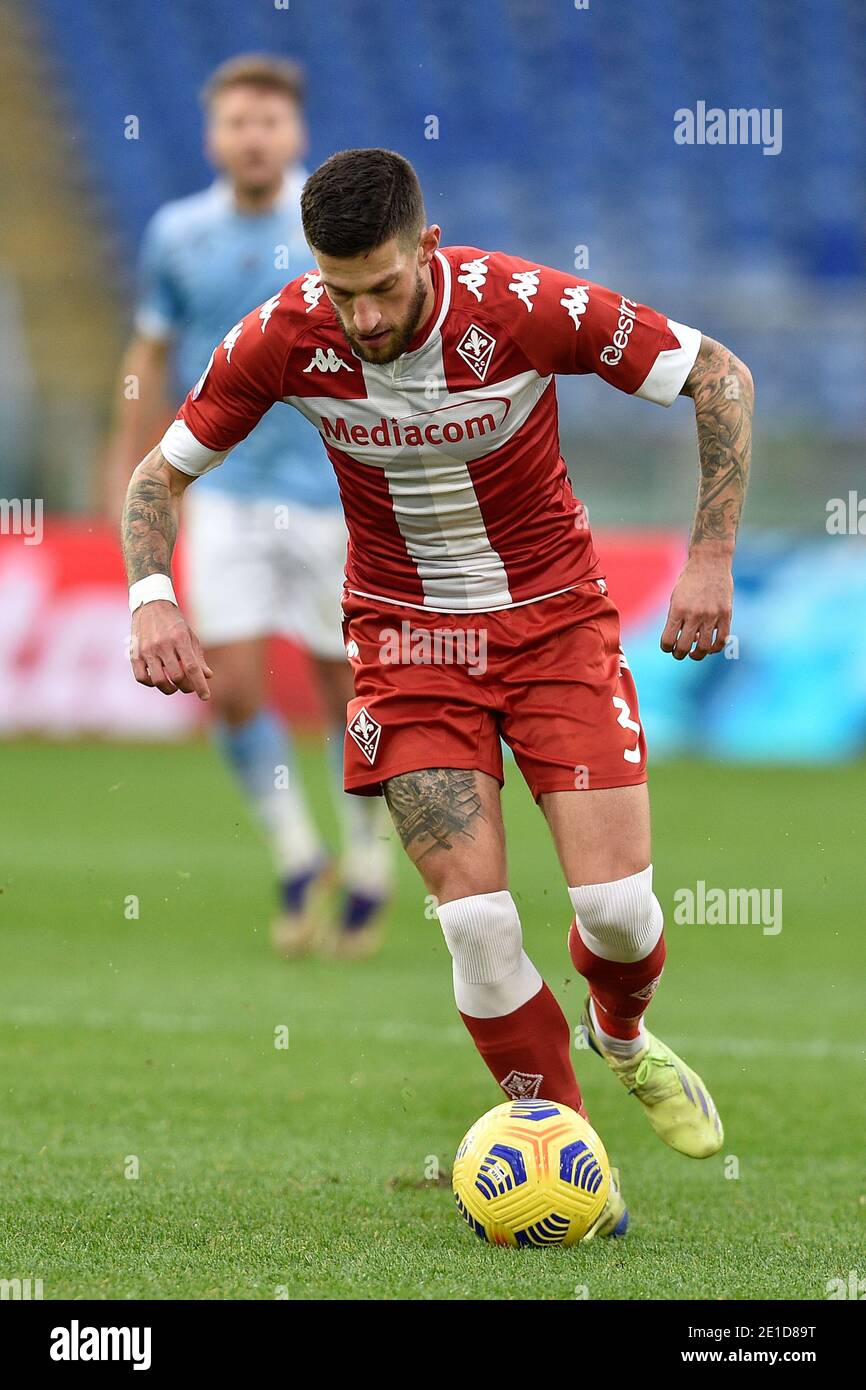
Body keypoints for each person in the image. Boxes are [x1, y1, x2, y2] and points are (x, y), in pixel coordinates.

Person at [120, 148, 753, 1236]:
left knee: (611, 909)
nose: (361, 315)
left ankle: (619, 1031)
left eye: (382, 285)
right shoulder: (283, 334)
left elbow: (718, 374)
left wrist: (707, 559)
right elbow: (158, 474)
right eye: (339, 288)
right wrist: (149, 595)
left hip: (554, 622)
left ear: (427, 242)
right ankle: (568, 1157)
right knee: (476, 926)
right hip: (407, 647)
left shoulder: (521, 305)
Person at [105, 67, 392, 959]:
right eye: (238, 121)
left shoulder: (329, 234)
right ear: (213, 137)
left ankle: (370, 860)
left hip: (332, 489)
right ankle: (298, 854)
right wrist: (129, 463)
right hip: (219, 486)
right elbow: (149, 352)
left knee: (346, 689)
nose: (254, 135)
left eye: (269, 119)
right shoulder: (177, 233)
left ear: (297, 132)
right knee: (228, 687)